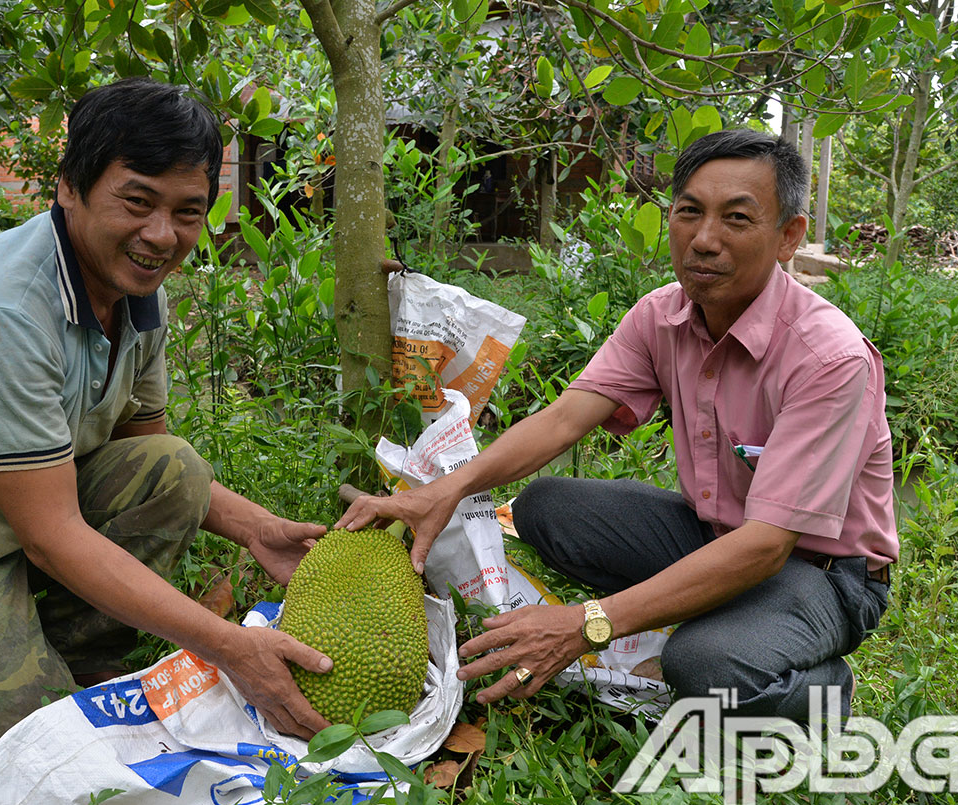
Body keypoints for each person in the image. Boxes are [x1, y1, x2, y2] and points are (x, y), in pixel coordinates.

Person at [0, 79, 332, 765]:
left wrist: (258, 529)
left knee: (173, 469)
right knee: (35, 750)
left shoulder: (135, 291)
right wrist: (231, 646)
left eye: (187, 212)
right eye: (138, 201)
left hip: (24, 525)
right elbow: (53, 537)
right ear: (68, 187)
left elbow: (144, 452)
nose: (161, 236)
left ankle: (37, 641)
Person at [338, 129, 897, 721]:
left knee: (701, 665)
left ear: (789, 236)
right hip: (713, 535)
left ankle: (823, 689)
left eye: (736, 218)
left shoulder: (829, 357)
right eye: (689, 212)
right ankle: (717, 607)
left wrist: (587, 624)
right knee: (546, 507)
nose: (704, 240)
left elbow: (766, 545)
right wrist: (443, 492)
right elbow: (563, 420)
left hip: (823, 573)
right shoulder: (663, 315)